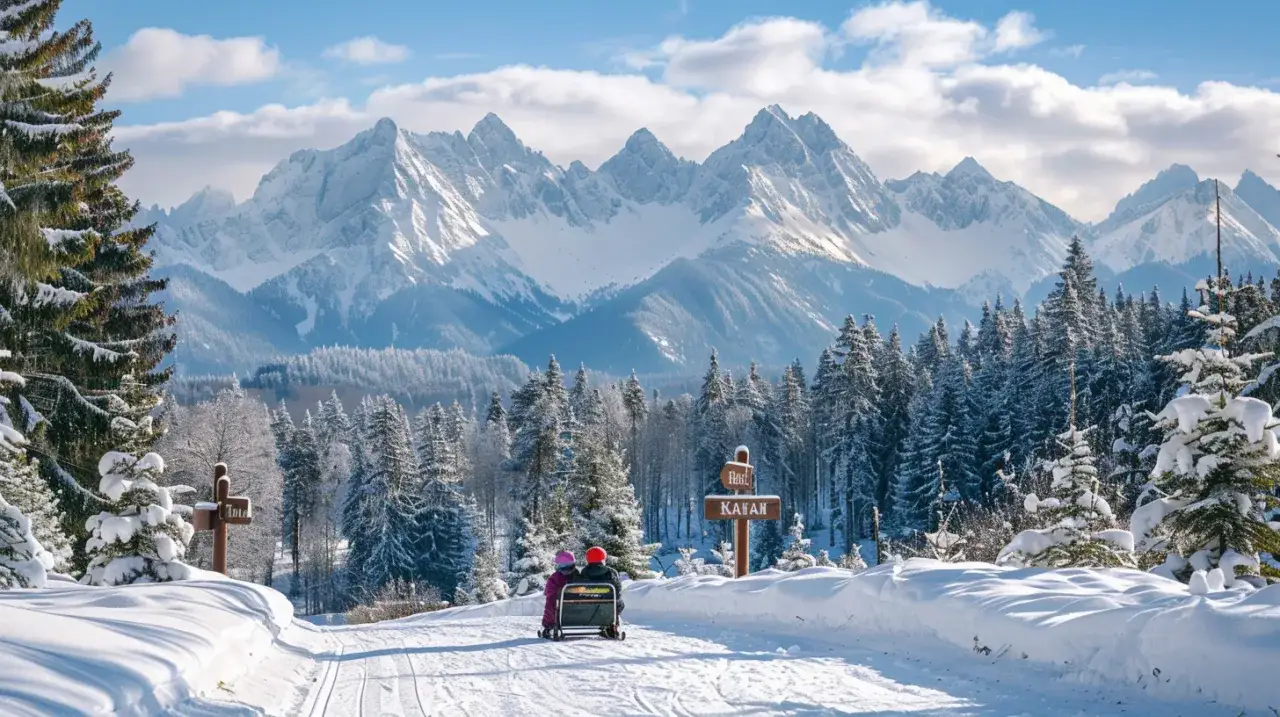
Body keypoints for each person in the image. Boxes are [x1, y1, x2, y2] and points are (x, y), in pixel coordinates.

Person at [577, 546, 624, 636]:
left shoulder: (584, 572)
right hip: (608, 604)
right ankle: (612, 626)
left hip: (588, 604)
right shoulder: (611, 572)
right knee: (619, 603)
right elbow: (617, 589)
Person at [540, 551, 577, 638]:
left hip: (561, 616)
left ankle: (550, 626)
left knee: (552, 601)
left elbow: (550, 603)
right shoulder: (580, 577)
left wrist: (547, 624)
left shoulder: (554, 579)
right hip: (583, 615)